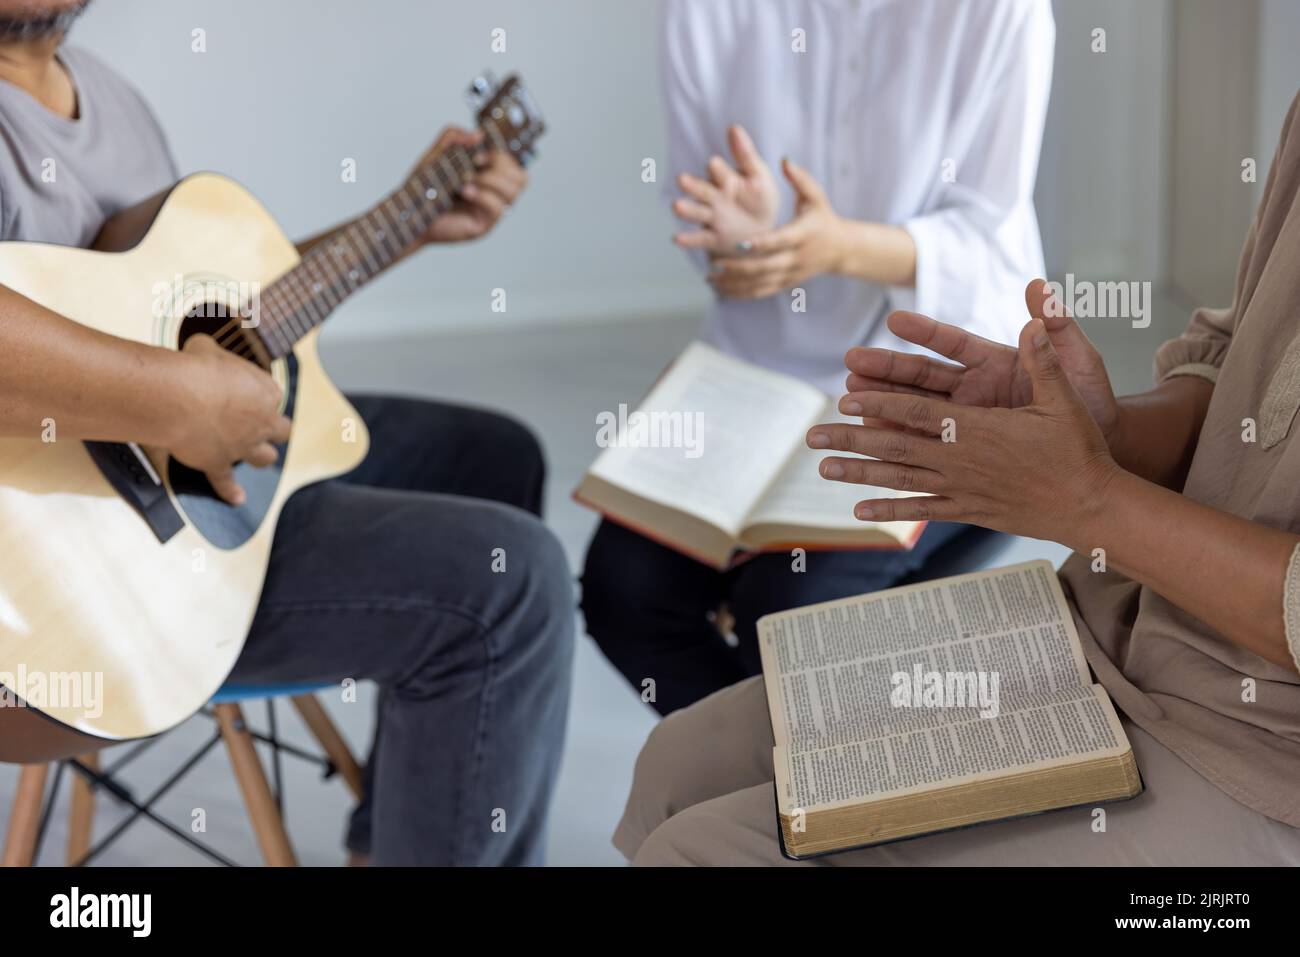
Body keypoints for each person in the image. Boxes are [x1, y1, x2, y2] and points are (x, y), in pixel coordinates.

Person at [615, 91, 1300, 866]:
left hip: (1263, 757)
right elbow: (1234, 358)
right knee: (675, 763)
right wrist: (1105, 433)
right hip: (1128, 625)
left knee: (701, 851)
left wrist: (1093, 503)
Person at [0, 1, 573, 866]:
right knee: (511, 584)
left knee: (492, 454)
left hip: (187, 495)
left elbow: (202, 311)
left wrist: (405, 222)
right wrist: (174, 399)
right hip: (93, 587)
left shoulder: (112, 100)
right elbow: (178, 378)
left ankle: (395, 840)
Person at [582, 0, 1056, 715]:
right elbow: (708, 230)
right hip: (753, 378)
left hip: (946, 375)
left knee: (790, 607)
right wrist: (736, 240)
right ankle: (775, 789)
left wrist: (833, 247)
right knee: (623, 589)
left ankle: (787, 796)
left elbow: (990, 238)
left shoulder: (998, 11)